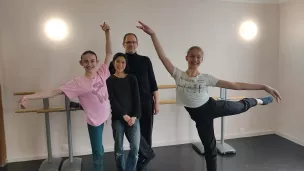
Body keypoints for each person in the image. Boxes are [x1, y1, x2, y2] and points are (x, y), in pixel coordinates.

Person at [136, 21, 282, 171]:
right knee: (209, 148)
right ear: (186, 57)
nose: (195, 59)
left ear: (202, 60)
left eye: (198, 57)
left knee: (240, 106)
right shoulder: (177, 74)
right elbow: (163, 57)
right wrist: (153, 34)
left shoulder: (206, 78)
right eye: (192, 56)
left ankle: (258, 101)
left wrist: (264, 87)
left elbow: (236, 85)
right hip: (200, 117)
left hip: (212, 107)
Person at [19, 22, 112, 171]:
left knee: (100, 147)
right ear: (81, 63)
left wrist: (107, 33)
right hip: (94, 121)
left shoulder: (102, 73)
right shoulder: (78, 83)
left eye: (92, 61)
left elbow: (108, 53)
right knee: (98, 152)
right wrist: (29, 97)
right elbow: (53, 91)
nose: (90, 64)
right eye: (86, 62)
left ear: (97, 62)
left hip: (105, 116)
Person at [109, 32, 159, 170]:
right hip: (126, 106)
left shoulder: (145, 60)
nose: (131, 44)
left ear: (137, 44)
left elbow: (152, 82)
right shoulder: (117, 62)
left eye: (133, 42)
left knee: (146, 132)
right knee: (134, 136)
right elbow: (111, 85)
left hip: (145, 103)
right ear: (123, 44)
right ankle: (145, 155)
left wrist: (157, 101)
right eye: (128, 42)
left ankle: (143, 160)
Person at [106, 52, 141, 171]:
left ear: (126, 64)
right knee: (118, 150)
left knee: (135, 147)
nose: (120, 64)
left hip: (133, 118)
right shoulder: (109, 80)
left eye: (123, 62)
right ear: (113, 63)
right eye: (117, 61)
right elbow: (112, 100)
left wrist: (134, 116)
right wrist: (124, 115)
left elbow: (137, 98)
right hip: (118, 118)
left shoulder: (132, 78)